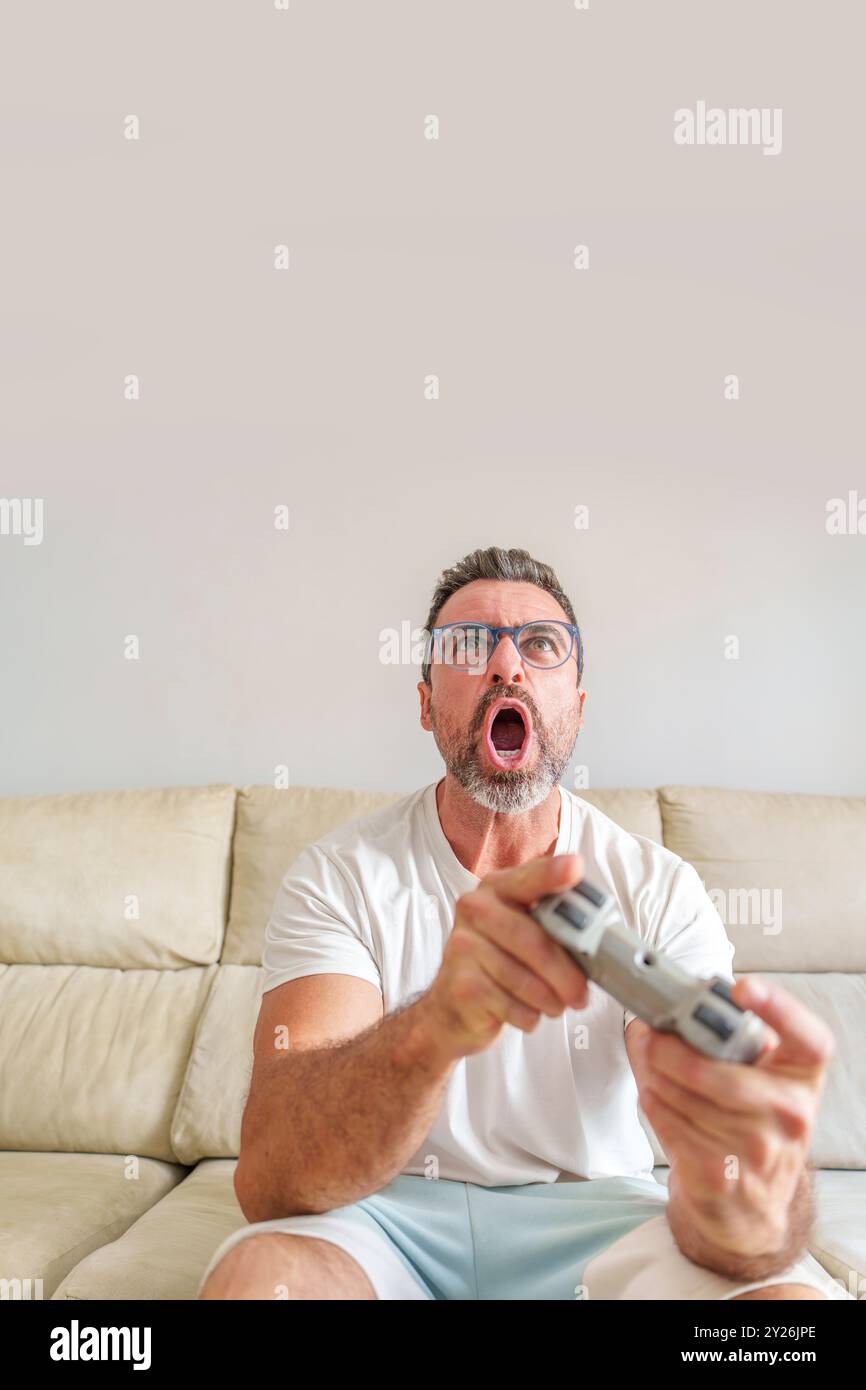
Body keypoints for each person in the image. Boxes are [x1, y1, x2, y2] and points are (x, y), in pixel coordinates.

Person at [198, 546, 850, 1301]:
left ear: (576, 700)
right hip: (381, 1216)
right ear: (423, 702)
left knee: (787, 1314)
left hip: (602, 1218)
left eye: (540, 645)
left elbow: (734, 1240)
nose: (506, 666)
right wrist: (437, 1023)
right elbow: (273, 1180)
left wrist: (749, 1186)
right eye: (469, 645)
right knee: (263, 1281)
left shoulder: (660, 888)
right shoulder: (339, 874)